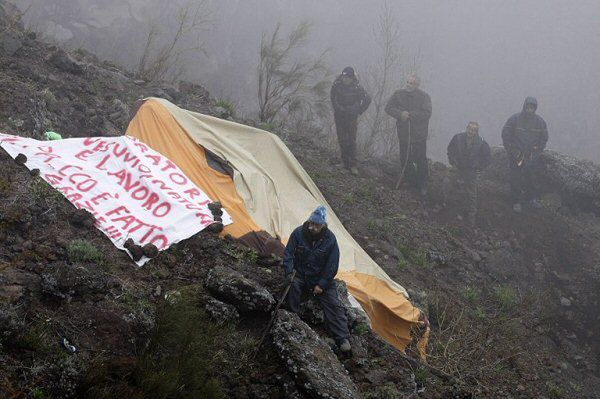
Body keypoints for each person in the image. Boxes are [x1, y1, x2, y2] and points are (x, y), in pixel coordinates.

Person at [282, 205, 351, 352]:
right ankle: (293, 319)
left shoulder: (330, 240)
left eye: (317, 225)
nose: (313, 227)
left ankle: (342, 338)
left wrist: (322, 284)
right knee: (291, 286)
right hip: (299, 274)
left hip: (319, 278)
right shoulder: (298, 233)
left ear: (323, 225)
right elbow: (288, 254)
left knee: (333, 303)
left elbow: (332, 265)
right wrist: (289, 271)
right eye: (311, 223)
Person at [385, 74, 432, 195]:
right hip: (403, 133)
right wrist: (400, 114)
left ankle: (423, 184)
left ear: (417, 85)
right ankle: (409, 180)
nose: (408, 85)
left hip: (419, 135)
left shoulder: (424, 97)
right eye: (407, 82)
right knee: (404, 157)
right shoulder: (398, 94)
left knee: (420, 159)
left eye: (411, 83)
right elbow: (388, 108)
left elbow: (427, 113)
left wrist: (410, 115)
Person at [501, 97, 549, 213]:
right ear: (524, 106)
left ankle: (532, 199)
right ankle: (516, 201)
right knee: (515, 178)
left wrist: (536, 152)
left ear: (535, 108)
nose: (530, 109)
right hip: (516, 155)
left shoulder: (540, 122)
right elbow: (505, 135)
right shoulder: (514, 119)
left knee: (532, 178)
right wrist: (512, 150)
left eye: (532, 107)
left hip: (531, 156)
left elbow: (544, 138)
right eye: (528, 106)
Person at [444, 121, 491, 224]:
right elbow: (450, 149)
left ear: (476, 132)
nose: (471, 131)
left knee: (471, 193)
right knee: (447, 182)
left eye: (474, 130)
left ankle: (471, 216)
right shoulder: (457, 138)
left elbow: (487, 158)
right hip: (458, 167)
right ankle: (442, 204)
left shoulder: (482, 143)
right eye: (470, 129)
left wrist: (478, 166)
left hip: (471, 170)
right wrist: (452, 161)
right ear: (466, 128)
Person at [330, 67, 371, 176]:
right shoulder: (337, 85)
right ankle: (344, 162)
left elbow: (367, 99)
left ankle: (353, 165)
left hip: (351, 117)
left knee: (351, 140)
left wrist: (358, 110)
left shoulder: (357, 87)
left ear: (352, 78)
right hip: (339, 116)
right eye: (344, 77)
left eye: (347, 77)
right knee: (342, 139)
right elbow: (332, 97)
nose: (345, 79)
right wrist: (337, 108)